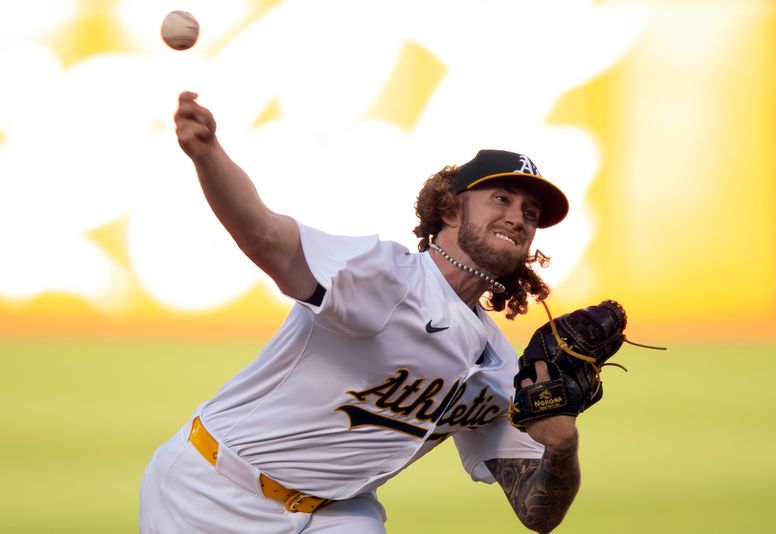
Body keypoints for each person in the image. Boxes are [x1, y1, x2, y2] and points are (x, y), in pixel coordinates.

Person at [139, 91, 579, 534]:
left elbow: (536, 513)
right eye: (501, 198)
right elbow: (265, 236)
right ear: (449, 209)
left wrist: (562, 445)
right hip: (213, 490)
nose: (518, 217)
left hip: (337, 513)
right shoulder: (386, 278)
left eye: (530, 212)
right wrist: (208, 154)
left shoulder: (502, 368)